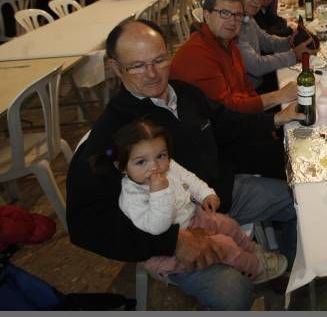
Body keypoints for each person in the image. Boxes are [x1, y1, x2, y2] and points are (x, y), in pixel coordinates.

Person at [67, 19, 301, 310]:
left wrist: (277, 118)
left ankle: (293, 280)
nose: (152, 74)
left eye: (159, 60)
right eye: (137, 66)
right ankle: (253, 273)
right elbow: (85, 224)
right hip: (176, 227)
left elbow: (226, 122)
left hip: (219, 194)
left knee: (299, 201)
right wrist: (171, 242)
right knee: (233, 292)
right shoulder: (115, 135)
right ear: (115, 68)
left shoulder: (185, 93)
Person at [113, 118, 286, 283]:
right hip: (170, 247)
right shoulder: (132, 197)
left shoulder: (169, 165)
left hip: (193, 217)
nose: (154, 166)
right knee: (225, 246)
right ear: (122, 167)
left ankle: (251, 249)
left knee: (228, 224)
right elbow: (159, 227)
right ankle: (255, 269)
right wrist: (159, 192)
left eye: (161, 156)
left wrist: (205, 194)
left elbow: (188, 178)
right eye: (141, 162)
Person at [171, 0, 297, 114]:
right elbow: (227, 110)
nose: (232, 21)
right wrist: (279, 96)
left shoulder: (229, 43)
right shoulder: (197, 55)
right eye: (224, 13)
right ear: (206, 15)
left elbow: (246, 89)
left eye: (237, 15)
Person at [235, 0, 312, 89]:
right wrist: (294, 55)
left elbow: (266, 40)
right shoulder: (233, 26)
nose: (257, 0)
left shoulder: (248, 19)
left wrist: (288, 42)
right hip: (251, 92)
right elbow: (256, 65)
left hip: (259, 83)